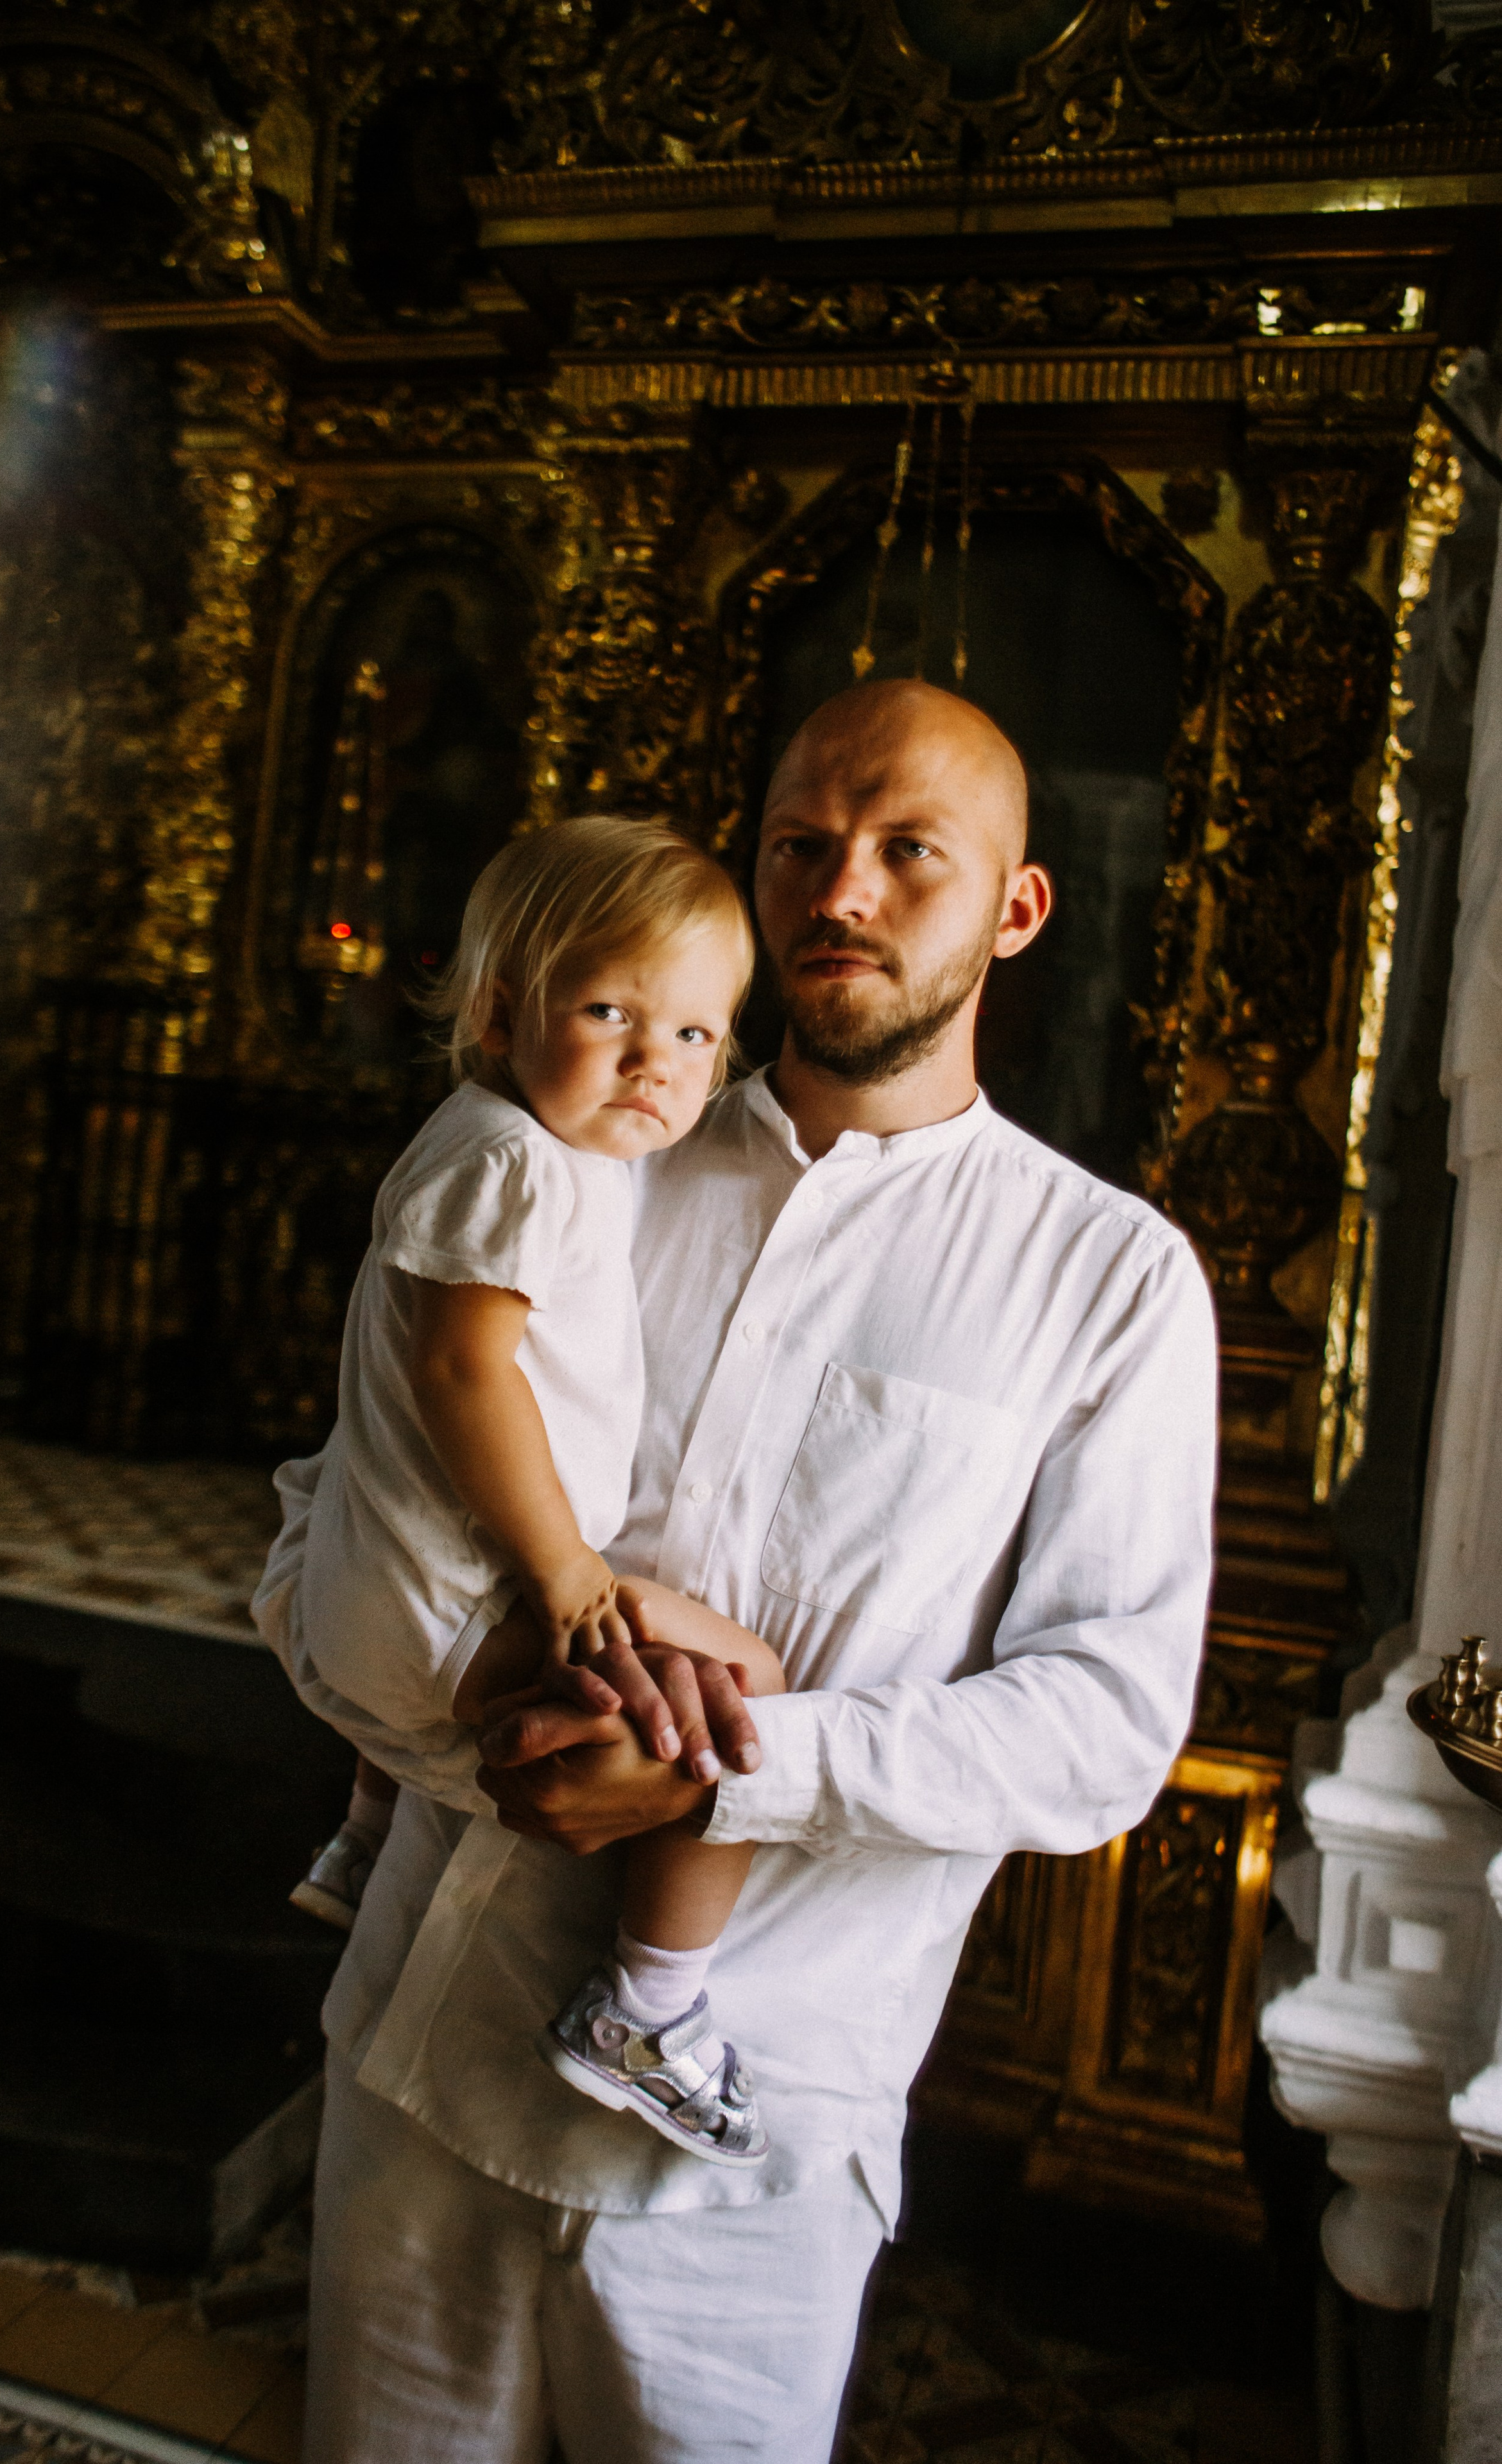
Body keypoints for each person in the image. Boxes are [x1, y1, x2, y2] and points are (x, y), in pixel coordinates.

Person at [255, 678, 1218, 2464]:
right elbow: (335, 1504)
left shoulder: (1110, 1278)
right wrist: (442, 1714)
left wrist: (733, 1766)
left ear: (1014, 907)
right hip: (424, 2051)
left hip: (761, 2139)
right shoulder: (589, 1144)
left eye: (907, 852)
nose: (841, 891)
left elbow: (1102, 1726)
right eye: (801, 844)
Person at [273, 810, 787, 2165]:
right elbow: (461, 1378)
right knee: (752, 1689)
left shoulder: (532, 1148)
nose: (654, 1062)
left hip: (380, 1597)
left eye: (694, 1036)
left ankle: (363, 1822)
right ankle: (650, 2008)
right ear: (501, 1016)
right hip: (444, 1611)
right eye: (610, 1010)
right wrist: (565, 1567)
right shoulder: (514, 1160)